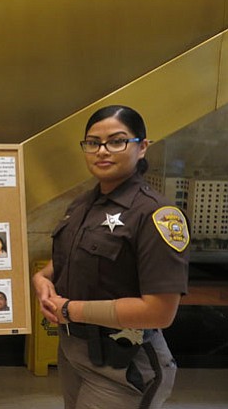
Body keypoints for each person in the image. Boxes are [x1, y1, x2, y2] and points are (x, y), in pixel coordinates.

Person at [32, 105, 190, 409]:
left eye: (117, 141)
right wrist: (42, 278)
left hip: (122, 362)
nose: (102, 151)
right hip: (73, 351)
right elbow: (73, 257)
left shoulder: (156, 214)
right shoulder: (82, 204)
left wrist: (71, 310)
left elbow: (160, 311)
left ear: (142, 147)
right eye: (93, 143)